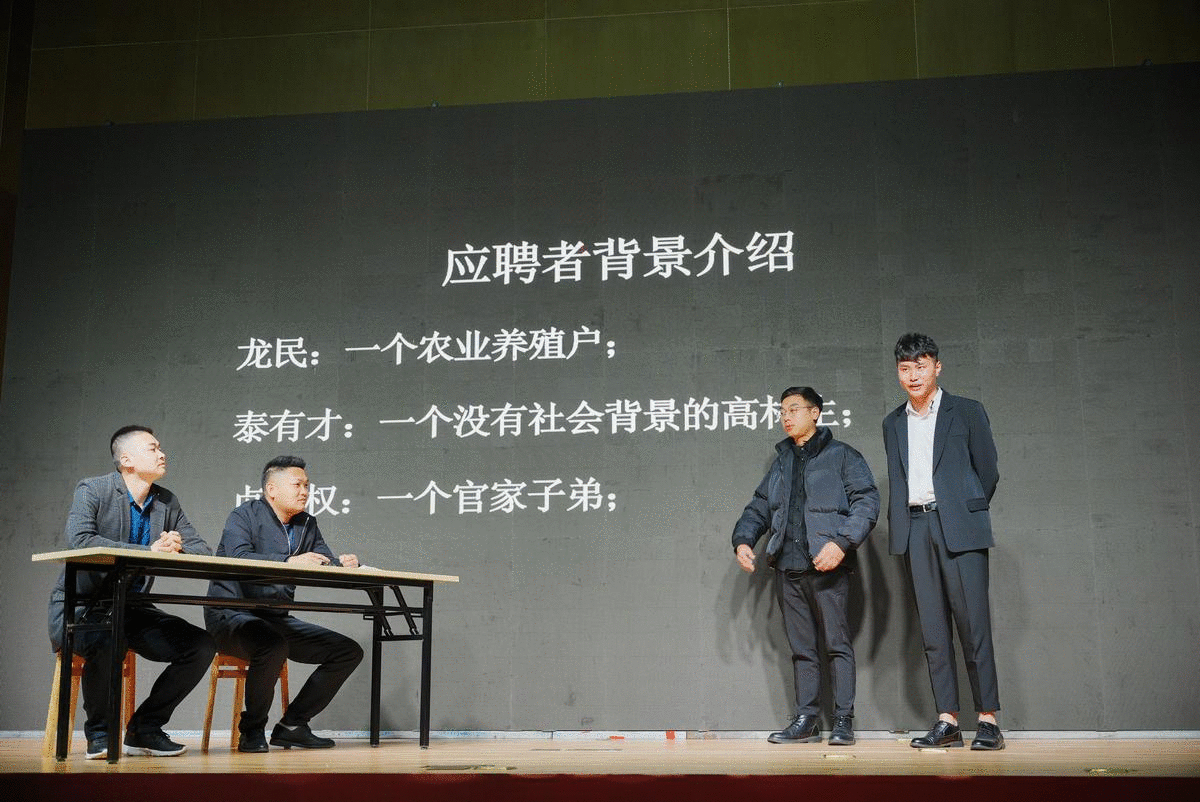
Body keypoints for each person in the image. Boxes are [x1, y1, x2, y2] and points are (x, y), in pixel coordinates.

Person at [47, 425, 216, 759]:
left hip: (132, 607)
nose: (162, 453)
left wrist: (178, 545)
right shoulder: (93, 490)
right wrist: (148, 551)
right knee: (108, 636)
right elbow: (80, 540)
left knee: (200, 645)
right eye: (153, 448)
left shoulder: (166, 501)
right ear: (126, 459)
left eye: (160, 448)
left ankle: (144, 729)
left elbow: (203, 551)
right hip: (83, 606)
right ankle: (100, 733)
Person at [732, 386, 879, 746]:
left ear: (815, 413)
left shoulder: (843, 456)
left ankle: (843, 720)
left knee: (837, 645)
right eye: (782, 411)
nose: (786, 416)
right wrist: (743, 540)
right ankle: (807, 719)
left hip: (827, 567)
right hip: (788, 567)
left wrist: (841, 543)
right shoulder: (781, 462)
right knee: (802, 649)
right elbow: (759, 506)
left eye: (794, 409)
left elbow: (866, 501)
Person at [882, 333, 1005, 750]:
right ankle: (947, 720)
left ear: (937, 367)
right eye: (905, 368)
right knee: (933, 631)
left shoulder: (966, 411)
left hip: (959, 528)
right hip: (915, 529)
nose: (913, 375)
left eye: (921, 366)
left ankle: (987, 720)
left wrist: (962, 510)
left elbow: (987, 471)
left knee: (973, 627)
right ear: (898, 373)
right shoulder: (892, 422)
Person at [205, 455, 364, 752]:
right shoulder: (244, 515)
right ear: (271, 490)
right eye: (297, 485)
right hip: (230, 615)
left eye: (307, 485)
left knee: (347, 651)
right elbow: (238, 558)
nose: (304, 491)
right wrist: (289, 561)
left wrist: (344, 564)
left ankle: (292, 725)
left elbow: (322, 560)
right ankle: (252, 731)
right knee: (272, 645)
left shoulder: (306, 523)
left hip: (274, 618)